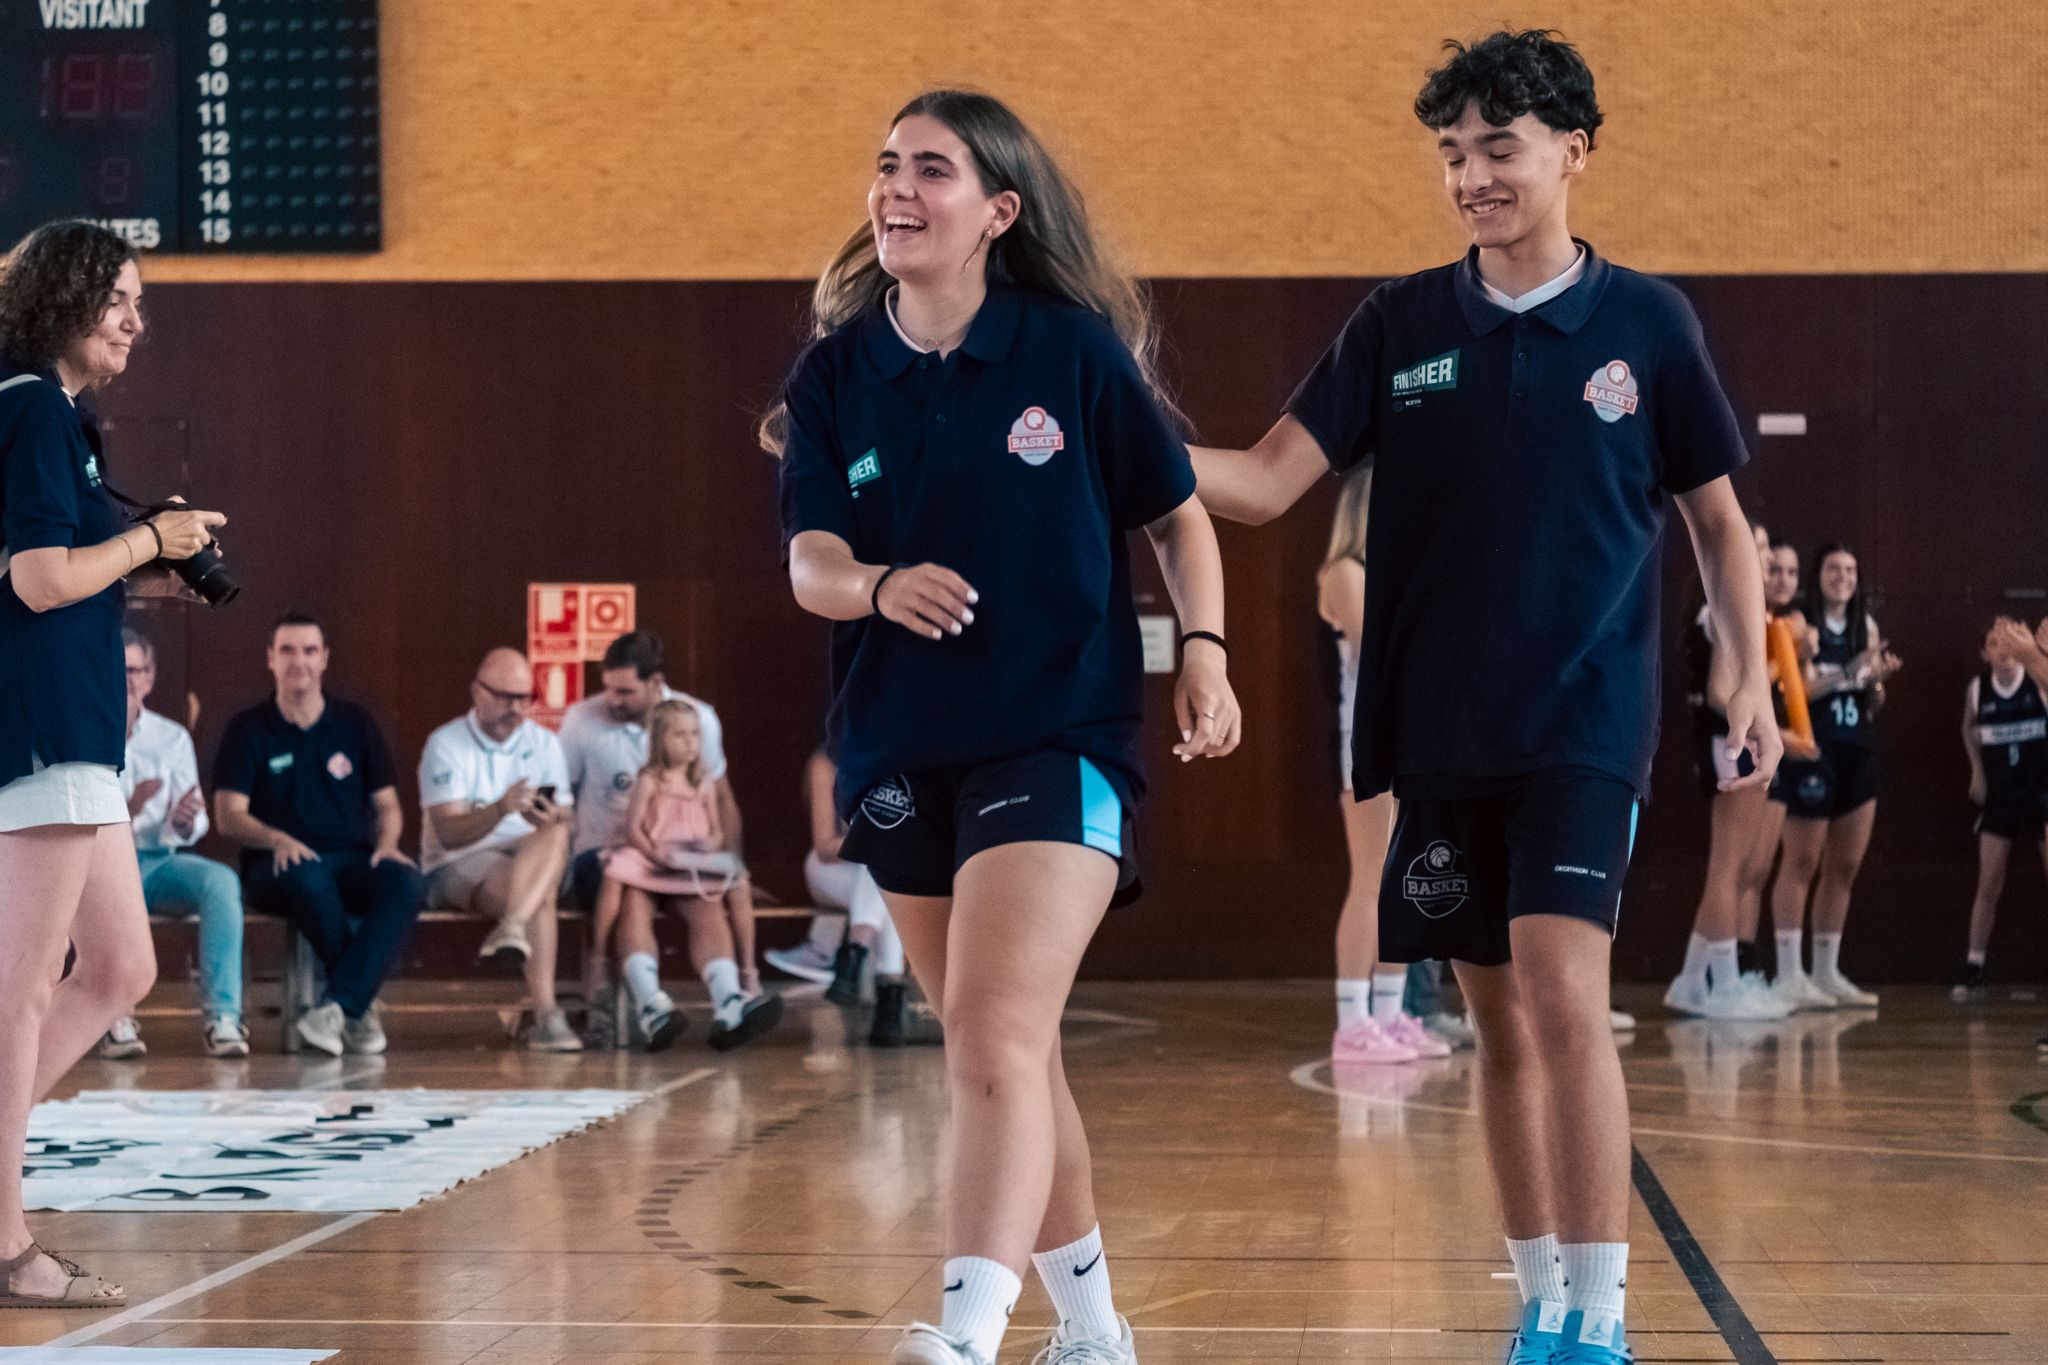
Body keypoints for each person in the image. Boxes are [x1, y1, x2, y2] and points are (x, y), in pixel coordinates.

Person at [1187, 34, 1778, 1365]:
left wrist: (1742, 669)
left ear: (1574, 150)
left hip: (1584, 719)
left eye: (1497, 148)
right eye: (1452, 154)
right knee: (1498, 1018)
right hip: (1438, 729)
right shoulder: (1397, 325)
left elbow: (1719, 523)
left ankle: (1601, 1322)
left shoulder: (1647, 325)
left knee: (1564, 995)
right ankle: (1542, 1309)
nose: (1471, 177)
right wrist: (1117, 440)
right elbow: (1265, 483)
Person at [770, 90, 1239, 1365]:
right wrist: (876, 585)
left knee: (991, 1037)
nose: (897, 187)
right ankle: (1092, 1333)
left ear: (997, 211)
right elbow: (810, 562)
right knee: (1005, 1054)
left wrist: (1202, 651)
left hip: (1057, 736)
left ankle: (966, 1336)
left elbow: (1179, 517)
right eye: (886, 164)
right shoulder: (834, 373)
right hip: (897, 752)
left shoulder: (1068, 351)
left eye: (932, 168)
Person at [1, 220, 225, 1309]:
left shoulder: (60, 414)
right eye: (120, 300)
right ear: (66, 299)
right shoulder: (32, 406)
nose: (137, 321)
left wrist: (146, 563)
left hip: (79, 730)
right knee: (19, 995)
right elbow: (39, 578)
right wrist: (150, 542)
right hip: (44, 727)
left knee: (121, 967)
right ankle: (5, 1245)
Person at [214, 612, 425, 1057]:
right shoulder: (248, 729)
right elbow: (229, 816)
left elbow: (388, 805)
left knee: (406, 882)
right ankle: (357, 1008)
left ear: (325, 658)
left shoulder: (355, 723)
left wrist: (387, 845)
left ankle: (337, 1007)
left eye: (310, 650)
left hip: (350, 858)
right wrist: (276, 839)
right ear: (270, 659)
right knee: (308, 877)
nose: (299, 661)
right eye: (287, 650)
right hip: (275, 865)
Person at [1321, 468, 1439, 1063]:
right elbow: (1378, 650)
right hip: (1366, 743)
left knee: (1401, 886)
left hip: (1411, 742)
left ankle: (1392, 1016)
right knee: (1370, 881)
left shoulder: (1393, 573)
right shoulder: (1344, 571)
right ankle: (1352, 1023)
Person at [593, 700, 781, 1052]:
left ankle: (729, 1000)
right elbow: (634, 828)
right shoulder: (650, 780)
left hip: (690, 864)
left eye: (695, 734)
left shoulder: (704, 781)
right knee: (633, 903)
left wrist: (708, 843)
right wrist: (654, 853)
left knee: (710, 910)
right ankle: (650, 1004)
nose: (690, 742)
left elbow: (716, 831)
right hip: (652, 860)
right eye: (680, 735)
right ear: (660, 740)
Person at [1664, 529, 1799, 1020]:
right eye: (1758, 547)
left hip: (1733, 741)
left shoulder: (1741, 611)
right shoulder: (1725, 610)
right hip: (1729, 741)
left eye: (1766, 547)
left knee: (1739, 868)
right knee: (1727, 868)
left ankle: (1689, 980)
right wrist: (1763, 724)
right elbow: (1722, 691)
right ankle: (1724, 984)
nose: (1765, 556)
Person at [418, 647, 580, 1051]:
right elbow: (449, 834)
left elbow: (567, 818)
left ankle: (512, 930)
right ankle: (546, 1016)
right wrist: (500, 809)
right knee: (539, 894)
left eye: (525, 698)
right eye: (506, 698)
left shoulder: (544, 743)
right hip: (461, 860)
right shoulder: (445, 744)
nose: (516, 709)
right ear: (478, 692)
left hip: (530, 855)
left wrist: (550, 817)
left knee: (556, 833)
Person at [101, 625, 249, 1060]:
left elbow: (195, 818)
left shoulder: (172, 738)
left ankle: (223, 1018)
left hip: (159, 858)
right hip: (105, 865)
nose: (127, 680)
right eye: (117, 670)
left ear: (149, 677)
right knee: (103, 893)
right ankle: (115, 1020)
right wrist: (129, 808)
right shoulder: (85, 732)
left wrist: (183, 822)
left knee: (220, 882)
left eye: (135, 671)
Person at [1767, 545, 1897, 1010]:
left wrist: (1875, 680)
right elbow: (1796, 687)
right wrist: (1848, 670)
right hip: (1812, 749)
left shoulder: (1867, 627)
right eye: (1833, 569)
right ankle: (1788, 973)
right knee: (1801, 861)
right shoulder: (1804, 624)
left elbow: (1870, 698)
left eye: (1850, 569)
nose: (1843, 576)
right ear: (1818, 575)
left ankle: (1826, 970)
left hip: (1857, 750)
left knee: (1844, 866)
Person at [560, 630, 732, 912]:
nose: (613, 700)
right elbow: (563, 802)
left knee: (707, 907)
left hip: (677, 857)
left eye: (625, 692)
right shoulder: (581, 719)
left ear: (655, 682)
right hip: (603, 856)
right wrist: (562, 879)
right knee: (632, 893)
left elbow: (723, 800)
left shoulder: (698, 720)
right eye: (608, 688)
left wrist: (729, 872)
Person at [1952, 621, 2047, 999]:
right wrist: (1977, 769)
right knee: (1988, 881)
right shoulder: (1978, 690)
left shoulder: (2037, 681)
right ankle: (1974, 964)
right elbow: (1967, 728)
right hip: (2002, 795)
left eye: (2010, 641)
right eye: (1995, 643)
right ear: (1984, 653)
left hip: (2040, 792)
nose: (2004, 649)